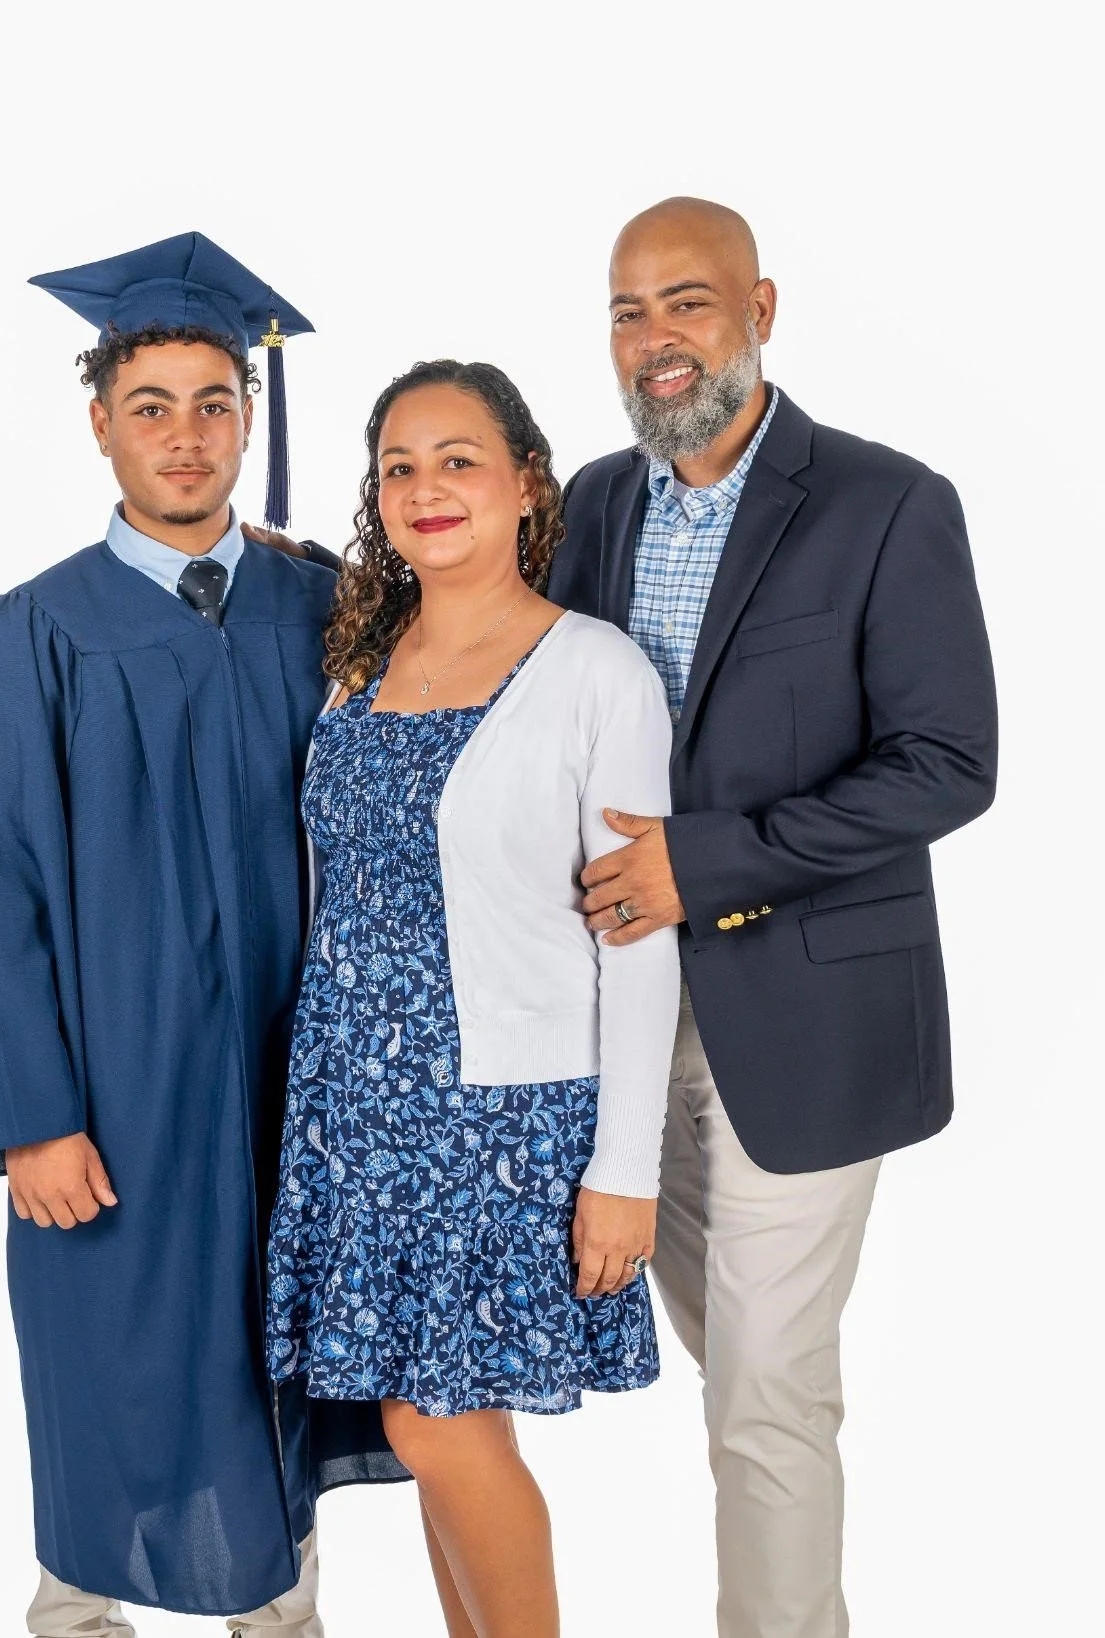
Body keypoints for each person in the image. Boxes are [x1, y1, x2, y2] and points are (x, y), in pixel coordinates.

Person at [0, 231, 400, 1638]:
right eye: (150, 407)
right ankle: (76, 1612)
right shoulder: (32, 633)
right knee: (113, 1357)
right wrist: (30, 1117)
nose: (184, 436)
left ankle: (281, 1613)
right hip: (118, 1092)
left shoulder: (326, 610)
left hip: (300, 1077)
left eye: (212, 402)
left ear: (249, 415)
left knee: (284, 1345)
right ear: (99, 425)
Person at [547, 197, 999, 1637]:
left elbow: (947, 763)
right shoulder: (594, 506)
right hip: (625, 1023)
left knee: (764, 1391)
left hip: (807, 1017)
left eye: (686, 301)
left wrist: (709, 861)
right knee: (741, 1371)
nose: (655, 338)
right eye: (627, 311)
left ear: (760, 309)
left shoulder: (885, 503)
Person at [263, 360, 682, 1638]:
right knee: (425, 1427)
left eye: (458, 460)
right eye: (398, 467)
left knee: (439, 1428)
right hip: (358, 1105)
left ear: (525, 485)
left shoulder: (593, 671)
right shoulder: (358, 663)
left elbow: (637, 933)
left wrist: (626, 1169)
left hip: (491, 1113)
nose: (425, 488)